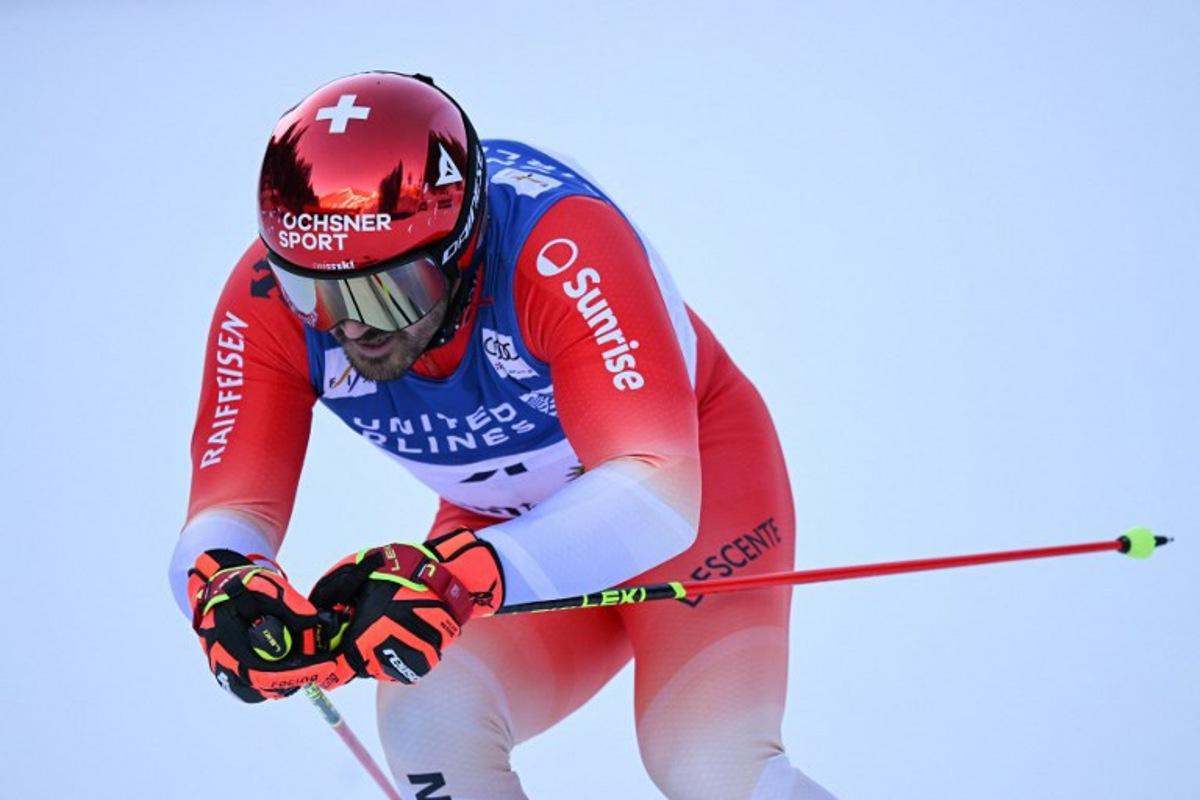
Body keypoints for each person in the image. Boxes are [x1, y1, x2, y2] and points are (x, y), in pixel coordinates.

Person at [170, 71, 836, 800]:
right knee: (427, 718)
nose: (350, 324)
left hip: (696, 498)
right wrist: (227, 589)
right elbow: (222, 519)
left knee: (711, 766)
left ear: (461, 249)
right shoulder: (266, 299)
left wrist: (452, 578)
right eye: (315, 295)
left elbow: (658, 495)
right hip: (500, 531)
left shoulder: (558, 245)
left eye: (384, 294)